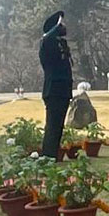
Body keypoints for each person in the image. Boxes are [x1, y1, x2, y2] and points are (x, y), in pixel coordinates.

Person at [38, 10, 72, 158]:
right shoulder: (47, 43)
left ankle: (54, 156)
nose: (63, 26)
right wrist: (55, 28)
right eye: (60, 24)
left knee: (58, 127)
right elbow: (46, 39)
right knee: (52, 126)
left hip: (63, 89)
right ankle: (47, 157)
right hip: (53, 90)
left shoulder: (60, 43)